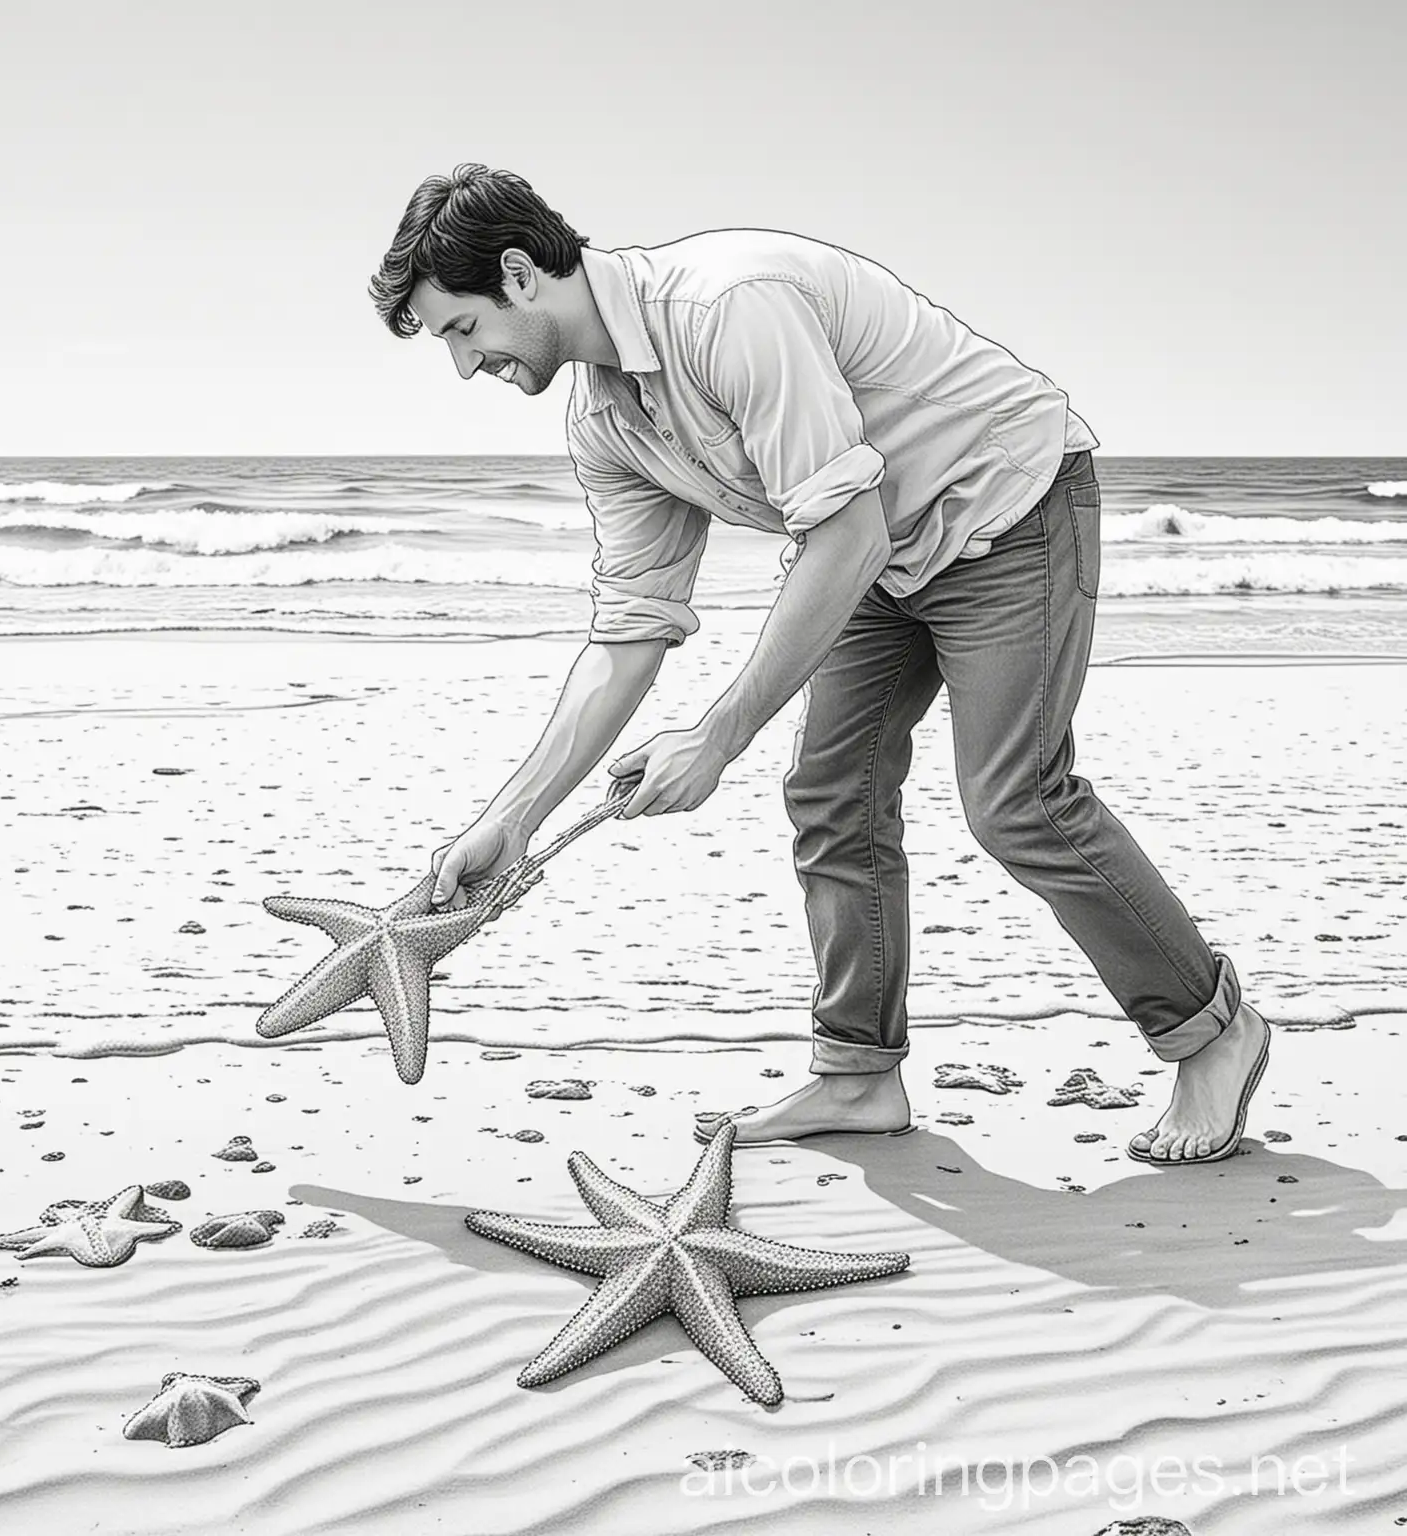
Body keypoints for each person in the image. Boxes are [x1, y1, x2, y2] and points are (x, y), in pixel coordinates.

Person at [368, 163, 1271, 1166]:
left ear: (520, 274)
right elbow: (630, 629)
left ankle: (1212, 1032)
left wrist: (715, 735)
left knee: (1015, 800)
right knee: (832, 792)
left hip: (1008, 510)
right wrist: (512, 817)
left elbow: (844, 538)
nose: (463, 365)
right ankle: (858, 1078)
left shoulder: (725, 308)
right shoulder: (602, 421)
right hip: (872, 551)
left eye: (460, 330)